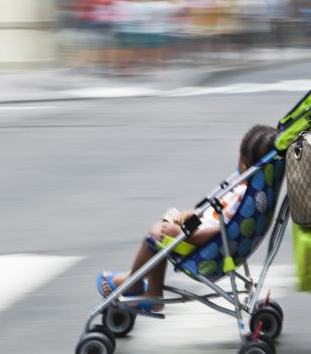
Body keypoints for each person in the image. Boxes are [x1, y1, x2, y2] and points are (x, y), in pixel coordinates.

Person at [97, 125, 278, 310]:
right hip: (205, 236)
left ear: (244, 165)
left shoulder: (242, 195)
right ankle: (146, 285)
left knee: (154, 235)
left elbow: (218, 228)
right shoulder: (252, 194)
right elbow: (217, 216)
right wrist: (191, 216)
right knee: (165, 227)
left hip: (203, 244)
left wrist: (183, 232)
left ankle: (137, 284)